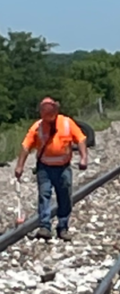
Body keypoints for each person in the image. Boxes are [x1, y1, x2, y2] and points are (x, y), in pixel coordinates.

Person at [13, 97, 88, 241]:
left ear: (55, 112)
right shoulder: (37, 127)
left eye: (50, 117)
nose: (48, 120)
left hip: (63, 168)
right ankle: (45, 226)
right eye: (45, 116)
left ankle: (63, 227)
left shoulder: (67, 123)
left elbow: (81, 139)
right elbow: (26, 146)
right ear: (41, 114)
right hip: (44, 168)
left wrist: (84, 157)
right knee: (44, 195)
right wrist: (19, 166)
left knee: (64, 196)